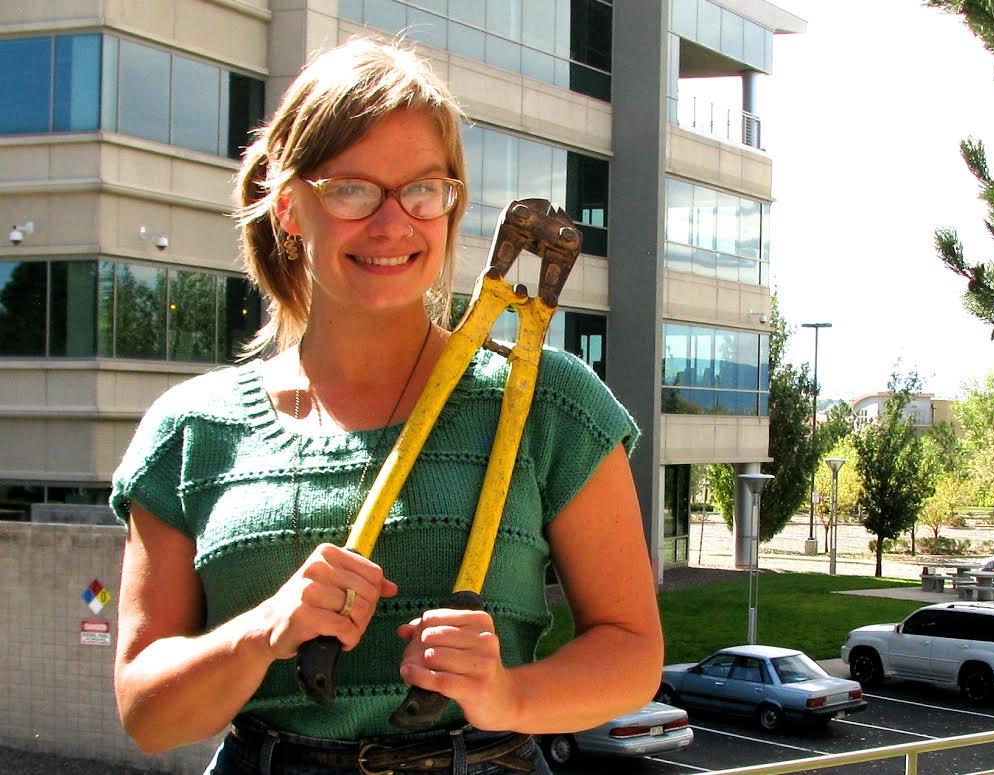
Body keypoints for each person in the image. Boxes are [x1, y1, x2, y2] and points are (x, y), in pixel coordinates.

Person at [110, 38, 662, 774]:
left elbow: (631, 652)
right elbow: (147, 715)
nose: (392, 223)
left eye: (422, 190)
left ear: (451, 205)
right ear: (289, 209)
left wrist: (508, 695)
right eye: (350, 189)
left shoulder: (548, 402)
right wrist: (264, 630)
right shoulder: (192, 430)